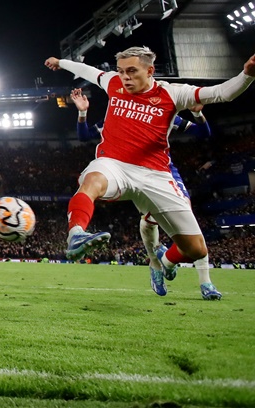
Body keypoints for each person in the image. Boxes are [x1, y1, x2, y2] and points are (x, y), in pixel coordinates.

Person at [45, 45, 255, 300]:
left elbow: (222, 93)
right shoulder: (113, 82)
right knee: (92, 181)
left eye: (132, 71)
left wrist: (247, 75)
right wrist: (61, 62)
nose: (125, 77)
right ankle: (76, 234)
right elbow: (86, 70)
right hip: (115, 164)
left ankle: (163, 261)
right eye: (121, 71)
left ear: (150, 70)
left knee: (196, 250)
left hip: (156, 174)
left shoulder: (173, 94)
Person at [70, 86, 220, 299]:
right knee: (148, 218)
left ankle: (198, 279)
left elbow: (203, 133)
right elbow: (84, 137)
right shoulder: (115, 117)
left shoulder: (160, 113)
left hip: (160, 174)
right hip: (126, 174)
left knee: (187, 220)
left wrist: (196, 112)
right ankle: (157, 264)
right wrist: (82, 112)